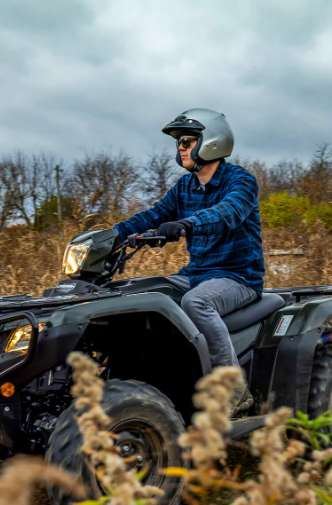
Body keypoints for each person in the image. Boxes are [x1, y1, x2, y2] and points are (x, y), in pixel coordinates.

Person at [112, 108, 263, 415]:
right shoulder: (185, 187)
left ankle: (235, 391)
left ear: (212, 143)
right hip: (196, 273)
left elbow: (226, 213)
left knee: (197, 303)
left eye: (186, 141)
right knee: (137, 294)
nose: (180, 147)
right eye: (179, 142)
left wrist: (187, 224)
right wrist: (112, 234)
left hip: (237, 277)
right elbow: (154, 215)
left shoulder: (241, 182)